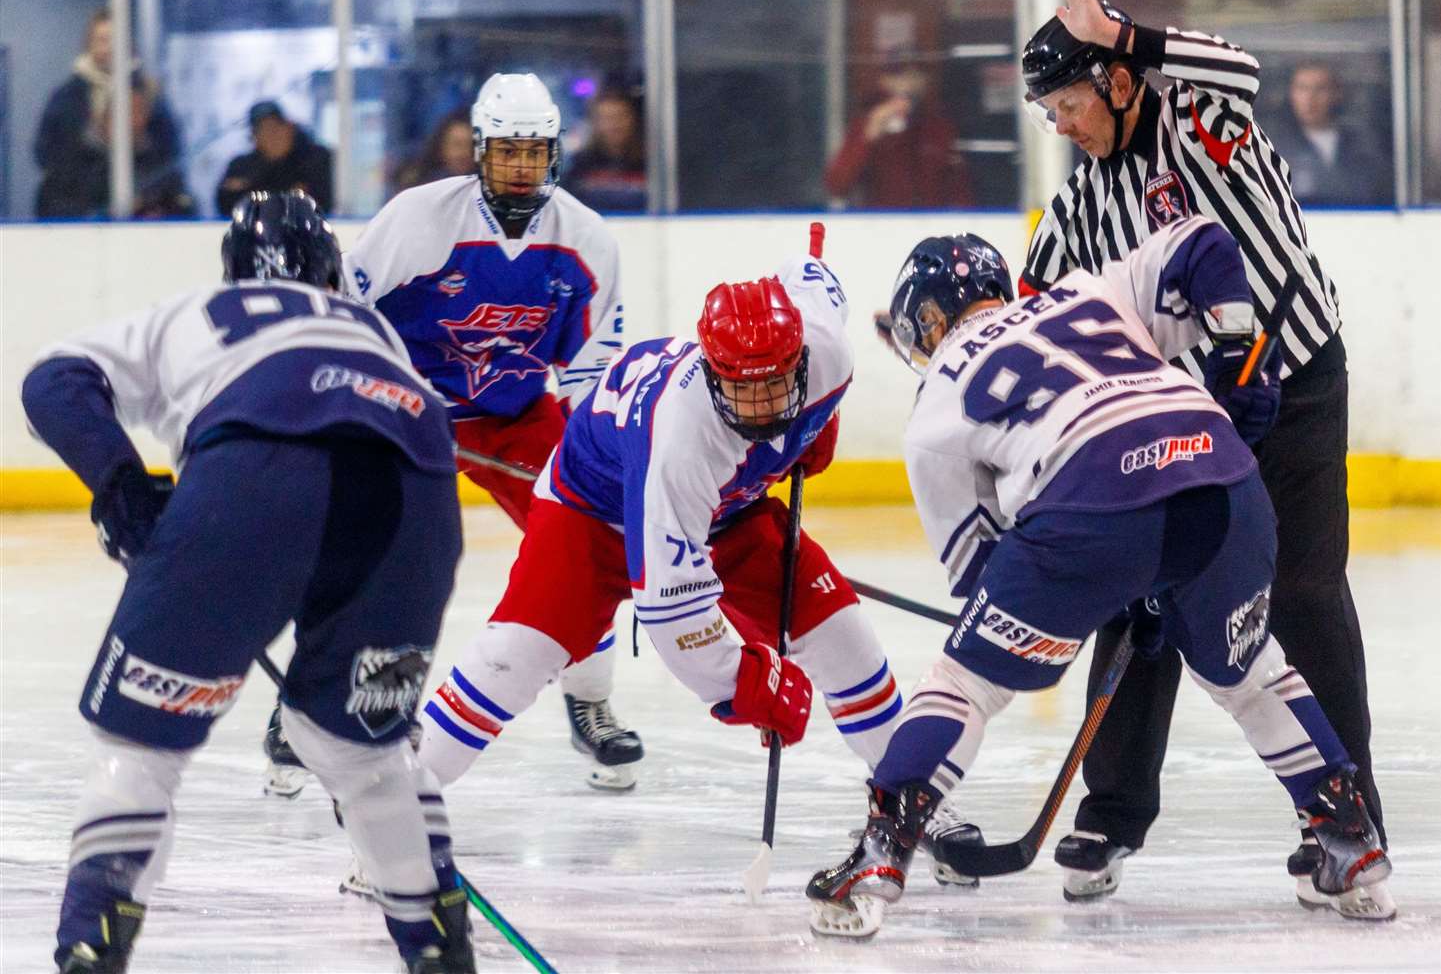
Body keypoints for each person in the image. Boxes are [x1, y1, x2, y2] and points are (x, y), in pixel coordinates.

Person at [807, 221, 1393, 940]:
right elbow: (1205, 242)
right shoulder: (1088, 290)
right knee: (1253, 673)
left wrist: (1101, 588)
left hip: (1088, 501)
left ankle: (879, 852)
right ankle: (1351, 838)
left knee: (965, 684)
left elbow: (985, 571)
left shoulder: (935, 400)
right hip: (1223, 477)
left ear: (925, 321)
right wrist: (1237, 343)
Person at [1010, 0, 1384, 904]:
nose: (1063, 127)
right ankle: (1111, 812)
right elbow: (1035, 306)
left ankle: (1349, 820)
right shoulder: (1084, 199)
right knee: (1142, 595)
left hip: (1296, 384)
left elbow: (1239, 65)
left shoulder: (1193, 114)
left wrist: (1120, 31)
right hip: (1190, 417)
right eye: (1049, 117)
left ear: (1120, 80)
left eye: (1071, 105)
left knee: (1303, 595)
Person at [22, 192, 476, 974]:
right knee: (360, 751)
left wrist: (120, 484)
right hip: (420, 494)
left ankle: (91, 948)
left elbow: (51, 382)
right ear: (333, 273)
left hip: (255, 470)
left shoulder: (198, 311)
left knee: (141, 742)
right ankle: (438, 943)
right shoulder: (374, 331)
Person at [261, 72, 643, 807]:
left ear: (556, 154)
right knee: (372, 560)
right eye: (508, 152)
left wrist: (604, 474)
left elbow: (594, 374)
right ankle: (306, 710)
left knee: (589, 543)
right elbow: (344, 313)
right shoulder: (419, 219)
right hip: (407, 408)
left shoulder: (588, 240)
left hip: (517, 415)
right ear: (479, 151)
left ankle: (588, 702)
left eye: (536, 153)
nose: (523, 168)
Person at [414, 245, 905, 816]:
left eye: (775, 384)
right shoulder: (684, 438)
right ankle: (396, 809)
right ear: (712, 371)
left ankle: (911, 796)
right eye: (741, 388)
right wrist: (744, 685)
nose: (759, 406)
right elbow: (672, 611)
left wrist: (812, 424)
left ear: (801, 354)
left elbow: (811, 274)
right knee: (514, 658)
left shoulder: (827, 348)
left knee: (843, 636)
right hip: (590, 514)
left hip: (727, 510)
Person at [33, 8, 187, 220]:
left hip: (141, 207)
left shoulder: (149, 94)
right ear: (89, 43)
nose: (108, 48)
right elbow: (45, 150)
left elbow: (170, 149)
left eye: (114, 40)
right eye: (101, 39)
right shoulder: (66, 96)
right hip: (78, 205)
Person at [823, 53, 971, 208]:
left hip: (932, 224)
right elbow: (837, 186)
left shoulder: (939, 127)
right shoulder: (866, 124)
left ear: (925, 81)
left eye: (915, 75)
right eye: (898, 75)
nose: (907, 83)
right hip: (882, 225)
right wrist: (869, 135)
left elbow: (959, 188)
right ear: (884, 81)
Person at [1270, 62, 1392, 206]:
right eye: (1302, 89)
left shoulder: (1364, 144)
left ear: (1337, 94)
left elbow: (1378, 190)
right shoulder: (1274, 147)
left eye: (1320, 89)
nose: (1310, 98)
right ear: (1292, 95)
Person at [216, 100, 334, 216]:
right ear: (254, 138)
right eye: (263, 131)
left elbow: (318, 202)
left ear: (289, 128)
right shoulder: (240, 166)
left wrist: (252, 189)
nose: (272, 136)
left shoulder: (316, 158)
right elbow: (227, 205)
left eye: (275, 127)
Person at [561, 88, 647, 213]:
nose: (614, 124)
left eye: (621, 116)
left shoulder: (650, 163)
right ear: (594, 122)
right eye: (607, 118)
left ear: (633, 119)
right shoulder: (581, 164)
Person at [393, 109, 477, 193]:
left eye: (470, 145)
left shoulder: (483, 189)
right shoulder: (418, 183)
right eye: (457, 145)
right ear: (441, 145)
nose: (463, 153)